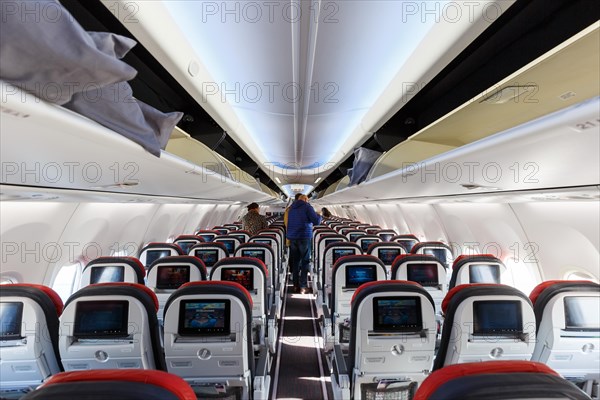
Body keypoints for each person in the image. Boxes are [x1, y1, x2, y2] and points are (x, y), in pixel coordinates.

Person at [287, 194, 322, 294]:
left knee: (295, 261)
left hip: (293, 237)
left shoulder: (291, 208)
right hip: (304, 237)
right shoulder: (307, 207)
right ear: (306, 199)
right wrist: (319, 215)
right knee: (305, 261)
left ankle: (295, 285)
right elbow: (316, 221)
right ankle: (303, 286)